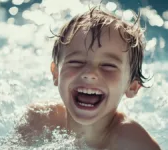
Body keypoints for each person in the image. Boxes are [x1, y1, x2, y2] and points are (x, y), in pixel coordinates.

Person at [17, 7, 161, 150]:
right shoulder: (38, 120)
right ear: (56, 74)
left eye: (108, 65)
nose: (90, 73)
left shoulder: (136, 144)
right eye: (76, 62)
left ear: (132, 87)